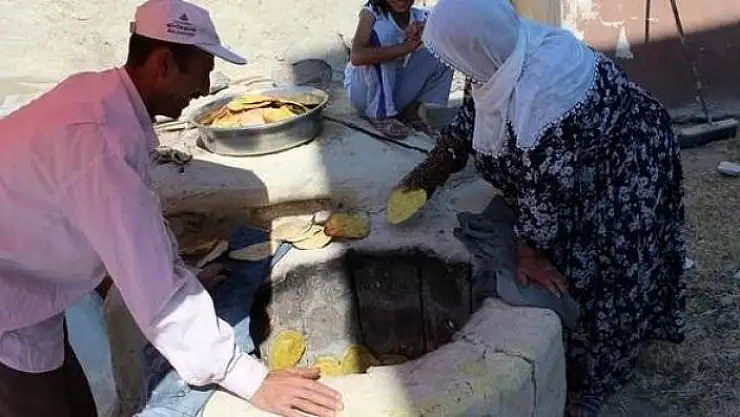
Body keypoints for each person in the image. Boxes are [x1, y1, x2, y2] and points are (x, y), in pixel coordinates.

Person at [0, 1, 343, 417]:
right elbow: (153, 285)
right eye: (202, 71)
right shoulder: (100, 145)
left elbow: (120, 226)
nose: (205, 87)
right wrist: (248, 378)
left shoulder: (102, 100)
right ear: (163, 63)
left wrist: (180, 274)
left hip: (27, 289)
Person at [398, 0, 687, 415]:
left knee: (609, 273)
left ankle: (597, 380)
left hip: (628, 167)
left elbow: (546, 196)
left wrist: (529, 253)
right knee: (569, 257)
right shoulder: (502, 56)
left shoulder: (544, 94)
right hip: (580, 168)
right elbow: (472, 116)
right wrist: (429, 173)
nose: (460, 69)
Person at [345, 0, 453, 139]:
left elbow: (455, 24)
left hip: (392, 88)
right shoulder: (371, 13)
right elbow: (356, 57)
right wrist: (404, 48)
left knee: (443, 51)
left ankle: (411, 111)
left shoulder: (420, 15)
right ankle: (380, 115)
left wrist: (424, 29)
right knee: (383, 36)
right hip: (365, 94)